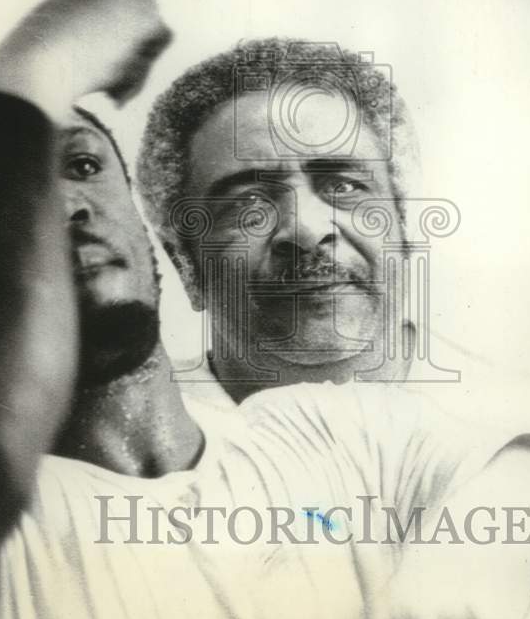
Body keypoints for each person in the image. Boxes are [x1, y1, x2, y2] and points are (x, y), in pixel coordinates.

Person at [0, 0, 530, 619]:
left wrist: (513, 509)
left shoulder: (325, 432)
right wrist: (34, 72)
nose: (62, 204)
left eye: (82, 164)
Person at [137, 38, 420, 401]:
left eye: (345, 186)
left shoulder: (507, 419)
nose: (307, 230)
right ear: (186, 267)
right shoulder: (106, 445)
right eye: (249, 204)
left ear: (403, 224)